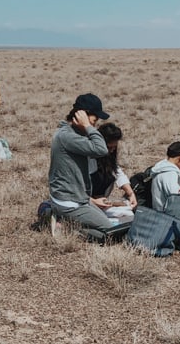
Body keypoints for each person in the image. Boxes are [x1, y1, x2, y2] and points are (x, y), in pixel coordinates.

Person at [47, 94, 126, 239]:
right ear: (81, 114)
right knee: (111, 233)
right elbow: (101, 149)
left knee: (110, 226)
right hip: (71, 202)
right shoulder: (68, 136)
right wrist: (88, 126)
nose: (95, 125)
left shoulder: (70, 132)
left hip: (76, 198)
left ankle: (63, 219)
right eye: (94, 120)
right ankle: (68, 228)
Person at [89, 122, 137, 220]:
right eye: (109, 148)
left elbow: (118, 173)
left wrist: (131, 193)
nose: (111, 151)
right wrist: (93, 201)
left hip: (101, 203)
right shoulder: (88, 159)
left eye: (114, 148)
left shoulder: (109, 159)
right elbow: (77, 191)